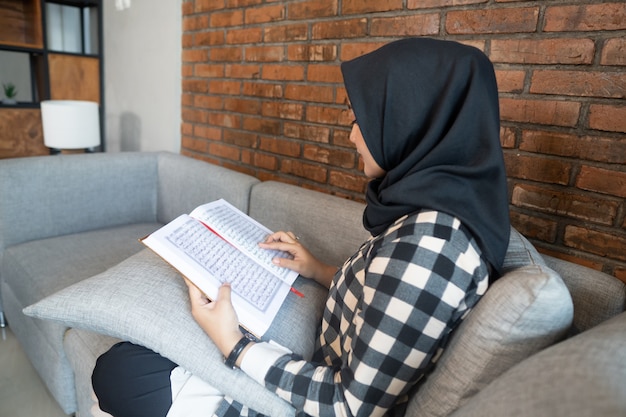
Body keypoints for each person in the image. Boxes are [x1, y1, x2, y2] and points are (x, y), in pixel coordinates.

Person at [92, 37, 510, 417]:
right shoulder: (433, 216)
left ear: (410, 119)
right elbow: (382, 295)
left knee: (120, 374)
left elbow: (348, 406)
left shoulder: (433, 248)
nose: (352, 136)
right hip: (313, 362)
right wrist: (317, 268)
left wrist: (233, 344)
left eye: (359, 120)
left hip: (313, 399)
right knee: (127, 363)